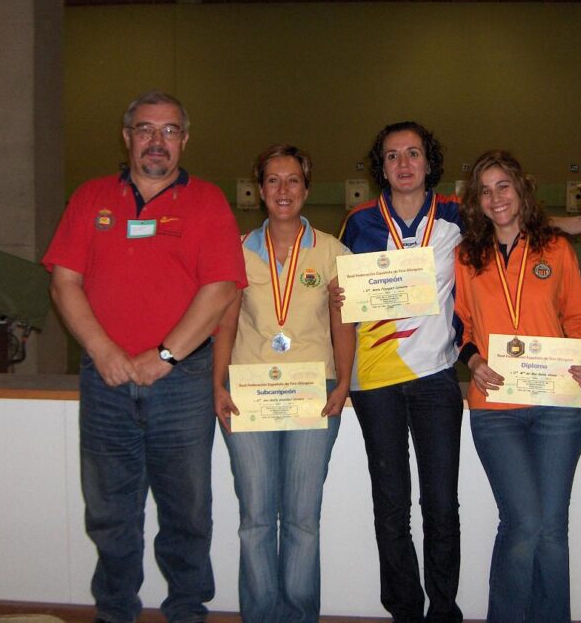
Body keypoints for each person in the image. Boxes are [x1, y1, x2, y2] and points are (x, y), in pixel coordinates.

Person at [339, 122, 581, 623]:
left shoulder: (458, 217)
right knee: (391, 505)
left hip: (436, 376)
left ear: (429, 162)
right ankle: (405, 610)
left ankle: (444, 610)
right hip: (376, 377)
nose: (404, 164)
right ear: (381, 167)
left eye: (413, 153)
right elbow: (342, 292)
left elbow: (519, 220)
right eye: (392, 156)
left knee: (441, 506)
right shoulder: (359, 221)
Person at [42, 90, 247, 623]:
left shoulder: (207, 202)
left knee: (187, 513)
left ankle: (186, 612)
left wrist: (165, 356)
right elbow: (65, 282)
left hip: (181, 385)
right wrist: (104, 350)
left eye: (170, 130)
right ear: (127, 136)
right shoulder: (90, 198)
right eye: (146, 129)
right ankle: (115, 613)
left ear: (185, 140)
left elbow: (222, 286)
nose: (158, 141)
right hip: (105, 383)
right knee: (110, 514)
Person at [212, 145, 355, 623]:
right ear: (259, 190)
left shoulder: (333, 251)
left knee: (301, 520)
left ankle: (297, 615)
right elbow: (225, 324)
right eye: (273, 181)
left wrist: (344, 384)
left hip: (314, 395)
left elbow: (344, 325)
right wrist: (218, 386)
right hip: (248, 394)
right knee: (255, 520)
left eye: (293, 180)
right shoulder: (236, 250)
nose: (283, 190)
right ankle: (259, 616)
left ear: (307, 189)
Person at [454, 150, 581, 623]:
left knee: (553, 529)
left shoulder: (555, 249)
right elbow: (460, 325)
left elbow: (579, 317)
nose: (496, 198)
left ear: (521, 191)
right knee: (523, 524)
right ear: (475, 200)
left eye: (504, 186)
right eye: (485, 190)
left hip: (559, 403)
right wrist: (472, 361)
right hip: (496, 408)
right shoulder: (465, 255)